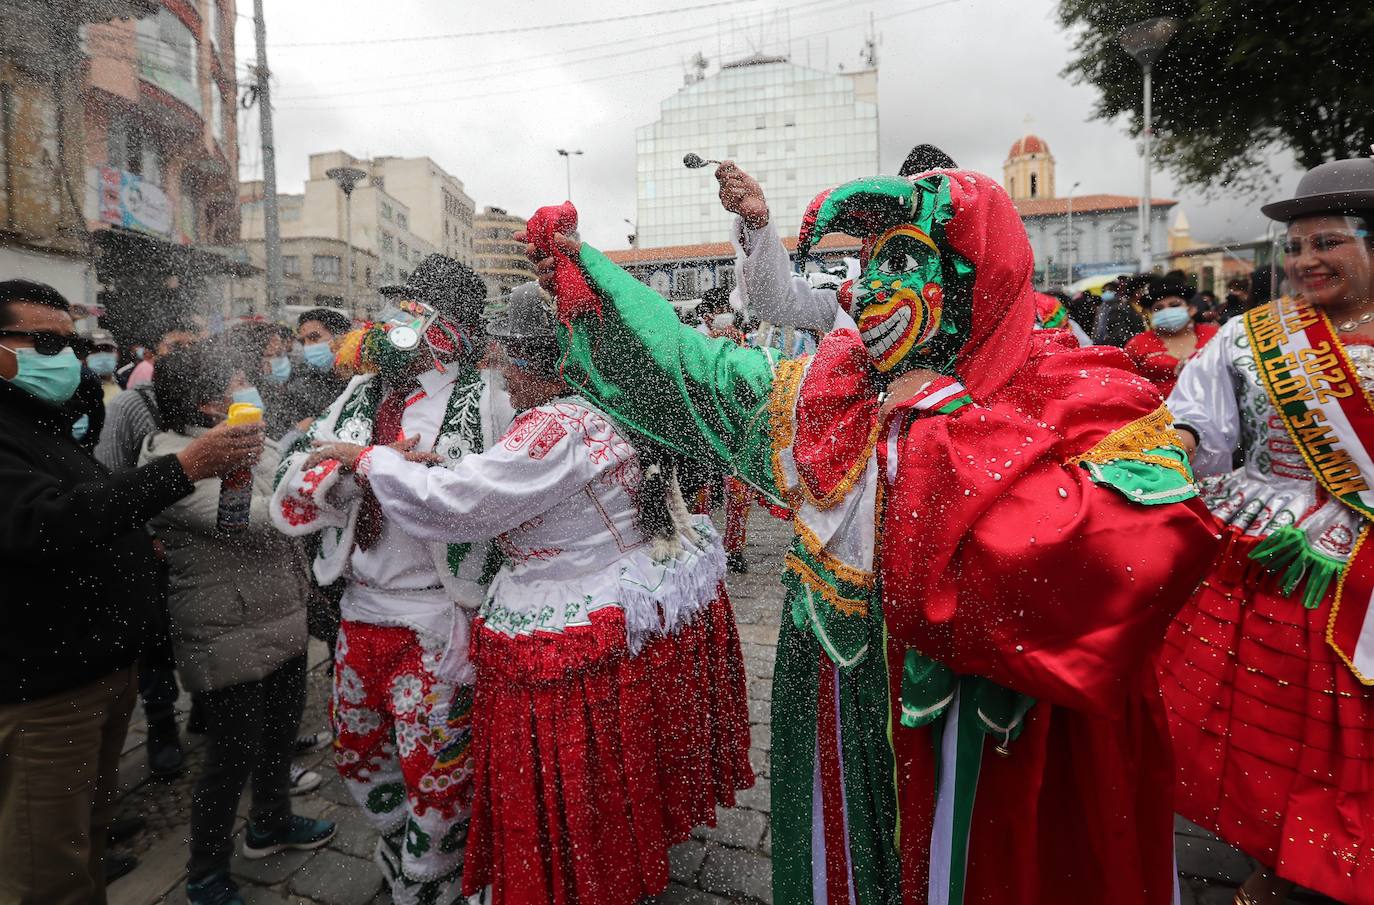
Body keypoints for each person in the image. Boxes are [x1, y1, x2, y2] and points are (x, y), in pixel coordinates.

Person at [520, 172, 1218, 904]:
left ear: (970, 277)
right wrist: (588, 274)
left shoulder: (1083, 394)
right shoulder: (836, 393)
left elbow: (1122, 565)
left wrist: (932, 424)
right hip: (845, 717)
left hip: (984, 754)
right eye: (868, 262)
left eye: (902, 260)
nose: (867, 288)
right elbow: (695, 370)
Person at [307, 282, 753, 905]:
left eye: (508, 360)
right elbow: (502, 484)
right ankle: (607, 859)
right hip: (620, 604)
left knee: (562, 774)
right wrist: (437, 468)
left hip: (569, 621)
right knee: (613, 767)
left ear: (540, 362)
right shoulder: (610, 404)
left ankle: (567, 877)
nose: (501, 376)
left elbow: (464, 503)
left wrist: (369, 461)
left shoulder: (555, 425)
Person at [0, 279, 263, 905]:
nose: (66, 359)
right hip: (44, 689)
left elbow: (92, 503)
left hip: (98, 667)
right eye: (45, 344)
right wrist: (184, 469)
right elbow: (45, 522)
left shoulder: (38, 420)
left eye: (73, 344)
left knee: (83, 836)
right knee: (46, 869)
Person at [1161, 157, 1374, 905]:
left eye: (1328, 242)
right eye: (1296, 245)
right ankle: (1281, 863)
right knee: (1268, 736)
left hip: (1353, 571)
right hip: (1275, 560)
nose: (1306, 259)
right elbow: (1196, 419)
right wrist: (1169, 446)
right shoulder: (1252, 338)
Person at [271, 255, 513, 905]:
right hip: (360, 609)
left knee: (437, 768)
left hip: (436, 615)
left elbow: (497, 498)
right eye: (394, 306)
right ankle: (405, 857)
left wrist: (417, 476)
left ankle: (436, 878)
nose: (391, 321)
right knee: (358, 751)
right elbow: (299, 471)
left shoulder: (487, 396)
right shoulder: (360, 391)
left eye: (412, 308)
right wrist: (354, 472)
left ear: (450, 327)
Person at [141, 342, 335, 905]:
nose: (249, 389)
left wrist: (328, 461)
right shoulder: (173, 463)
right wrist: (318, 489)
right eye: (237, 383)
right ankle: (205, 873)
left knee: (278, 736)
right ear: (209, 405)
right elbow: (249, 520)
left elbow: (290, 474)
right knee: (230, 758)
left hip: (281, 614)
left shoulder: (250, 440)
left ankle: (270, 823)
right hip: (226, 629)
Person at [93, 315, 206, 778]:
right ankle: (161, 727)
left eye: (195, 348)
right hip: (152, 549)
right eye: (176, 348)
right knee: (155, 642)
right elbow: (109, 476)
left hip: (200, 545)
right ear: (155, 354)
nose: (186, 358)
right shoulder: (130, 405)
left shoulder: (209, 400)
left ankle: (206, 710)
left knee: (201, 629)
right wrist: (147, 534)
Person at [1124, 277, 1219, 396]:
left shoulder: (1214, 335)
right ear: (1152, 314)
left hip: (1213, 404)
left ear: (1191, 309)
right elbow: (1126, 384)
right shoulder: (1138, 343)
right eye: (1158, 308)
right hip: (1160, 406)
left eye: (1174, 305)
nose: (1167, 311)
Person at [1093, 273, 1148, 346]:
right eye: (1144, 290)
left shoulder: (1146, 309)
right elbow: (1119, 337)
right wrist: (1145, 342)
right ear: (1136, 292)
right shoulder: (1119, 309)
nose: (1146, 294)